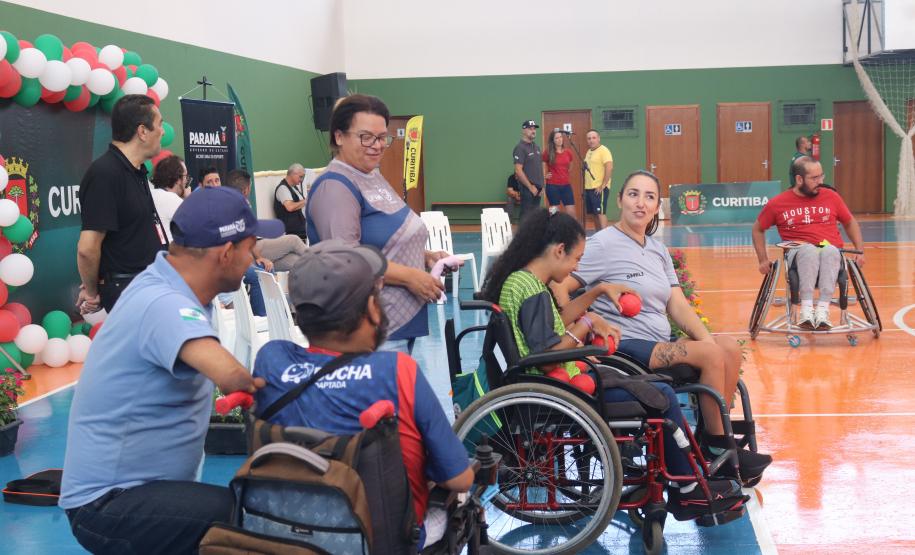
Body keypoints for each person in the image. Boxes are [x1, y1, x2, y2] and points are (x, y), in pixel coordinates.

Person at [60, 186, 283, 554]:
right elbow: (230, 376)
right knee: (251, 518)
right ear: (226, 253)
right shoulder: (163, 302)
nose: (255, 257)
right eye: (250, 247)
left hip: (137, 493)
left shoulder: (167, 283)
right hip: (108, 505)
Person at [479, 209, 743, 517]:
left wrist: (598, 292)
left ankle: (688, 478)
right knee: (662, 396)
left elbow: (555, 325)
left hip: (553, 380)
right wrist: (586, 326)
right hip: (555, 387)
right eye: (576, 259)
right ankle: (688, 490)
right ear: (559, 250)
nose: (578, 266)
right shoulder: (529, 288)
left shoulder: (526, 282)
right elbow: (547, 351)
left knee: (654, 389)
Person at [555, 170, 772, 483]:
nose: (640, 203)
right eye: (633, 194)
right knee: (711, 356)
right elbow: (561, 287)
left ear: (657, 206)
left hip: (657, 343)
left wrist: (709, 342)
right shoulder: (602, 245)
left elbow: (678, 306)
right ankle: (717, 449)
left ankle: (709, 438)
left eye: (649, 197)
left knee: (725, 348)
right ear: (619, 200)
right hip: (624, 348)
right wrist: (585, 322)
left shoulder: (657, 250)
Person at [253, 240, 473, 549]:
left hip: (290, 536)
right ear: (371, 308)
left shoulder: (271, 361)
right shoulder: (396, 371)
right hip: (384, 540)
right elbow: (459, 478)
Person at [306, 94, 451, 354]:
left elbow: (380, 240)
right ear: (339, 137)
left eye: (382, 137)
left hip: (397, 325)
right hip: (366, 329)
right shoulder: (335, 186)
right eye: (366, 137)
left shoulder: (371, 176)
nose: (377, 145)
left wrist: (423, 256)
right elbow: (345, 259)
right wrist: (410, 277)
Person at [77, 94, 169, 314]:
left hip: (147, 285)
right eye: (160, 124)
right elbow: (87, 249)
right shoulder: (105, 174)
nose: (163, 131)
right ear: (142, 131)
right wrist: (91, 292)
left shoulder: (136, 171)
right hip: (130, 292)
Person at [753, 156, 864, 330]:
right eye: (814, 178)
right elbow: (757, 229)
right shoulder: (778, 203)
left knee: (828, 249)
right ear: (799, 179)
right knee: (809, 249)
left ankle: (822, 310)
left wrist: (860, 250)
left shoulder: (831, 197)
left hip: (828, 249)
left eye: (821, 176)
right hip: (798, 250)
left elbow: (849, 222)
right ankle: (806, 310)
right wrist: (762, 259)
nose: (820, 181)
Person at [224, 168, 307, 272]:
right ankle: (322, 264)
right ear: (245, 190)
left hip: (245, 255)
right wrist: (260, 257)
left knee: (296, 260)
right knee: (293, 240)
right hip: (251, 252)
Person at [150, 155, 191, 241]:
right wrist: (188, 200)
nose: (186, 181)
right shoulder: (173, 200)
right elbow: (195, 230)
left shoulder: (150, 194)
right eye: (185, 176)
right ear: (177, 180)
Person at [513, 119, 544, 220]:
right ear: (524, 130)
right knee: (526, 217)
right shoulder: (520, 148)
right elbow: (518, 170)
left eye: (534, 128)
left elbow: (539, 167)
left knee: (535, 217)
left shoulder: (537, 147)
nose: (533, 131)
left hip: (538, 189)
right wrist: (530, 187)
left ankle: (534, 236)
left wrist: (542, 186)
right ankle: (522, 236)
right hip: (527, 189)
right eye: (530, 128)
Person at [583, 129, 613, 231]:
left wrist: (603, 185)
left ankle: (605, 237)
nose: (591, 140)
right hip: (589, 188)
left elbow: (609, 167)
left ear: (598, 138)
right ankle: (598, 236)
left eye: (594, 138)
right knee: (594, 214)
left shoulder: (604, 150)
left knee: (600, 213)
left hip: (599, 188)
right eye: (589, 138)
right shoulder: (589, 152)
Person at [541, 129, 576, 217]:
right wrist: (545, 175)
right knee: (554, 213)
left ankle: (572, 231)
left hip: (566, 185)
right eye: (556, 138)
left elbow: (571, 164)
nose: (559, 139)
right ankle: (554, 230)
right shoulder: (548, 152)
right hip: (552, 186)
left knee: (571, 212)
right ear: (553, 140)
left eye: (560, 137)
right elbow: (542, 163)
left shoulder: (568, 152)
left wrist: (565, 173)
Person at [273, 163, 308, 241]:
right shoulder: (283, 188)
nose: (302, 180)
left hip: (301, 229)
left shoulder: (294, 187)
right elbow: (290, 207)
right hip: (292, 232)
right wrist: (307, 200)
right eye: (301, 176)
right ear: (293, 174)